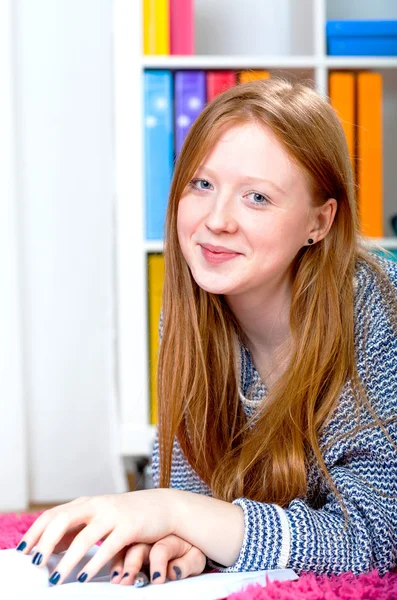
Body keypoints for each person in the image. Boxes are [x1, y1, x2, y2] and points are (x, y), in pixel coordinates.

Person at [16, 77, 397, 587]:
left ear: (320, 222)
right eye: (201, 184)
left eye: (257, 197)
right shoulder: (192, 309)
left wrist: (179, 513)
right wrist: (192, 538)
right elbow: (199, 497)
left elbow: (373, 539)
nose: (216, 220)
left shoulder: (374, 307)